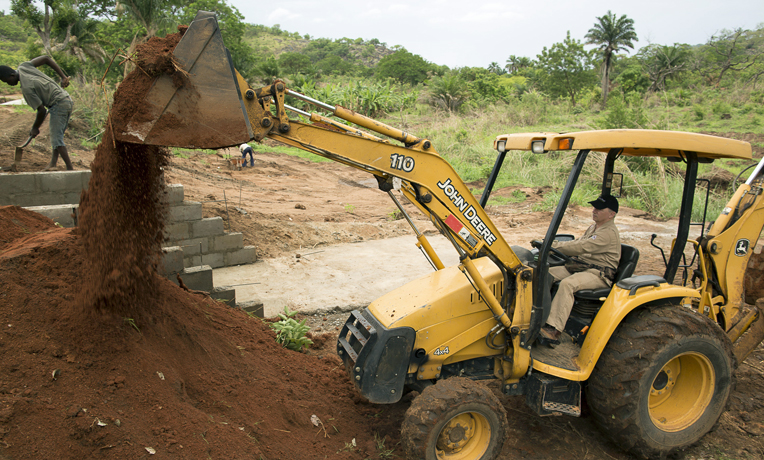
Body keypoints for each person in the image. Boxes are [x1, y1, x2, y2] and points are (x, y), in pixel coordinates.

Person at [538, 195, 621, 345]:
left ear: (611, 214)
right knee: (543, 273)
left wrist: (553, 246)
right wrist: (553, 246)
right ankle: (537, 314)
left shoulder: (608, 233)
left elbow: (582, 247)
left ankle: (554, 329)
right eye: (594, 207)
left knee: (568, 284)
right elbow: (578, 242)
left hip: (598, 273)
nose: (594, 210)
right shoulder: (594, 227)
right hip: (581, 266)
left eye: (599, 208)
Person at [0, 55, 73, 171]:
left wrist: (35, 128)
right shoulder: (24, 67)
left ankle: (70, 168)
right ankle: (53, 164)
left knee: (56, 139)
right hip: (66, 99)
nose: (7, 84)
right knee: (57, 136)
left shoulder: (26, 89)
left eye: (6, 81)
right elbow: (46, 59)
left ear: (12, 75)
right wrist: (63, 77)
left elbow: (41, 111)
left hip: (58, 104)